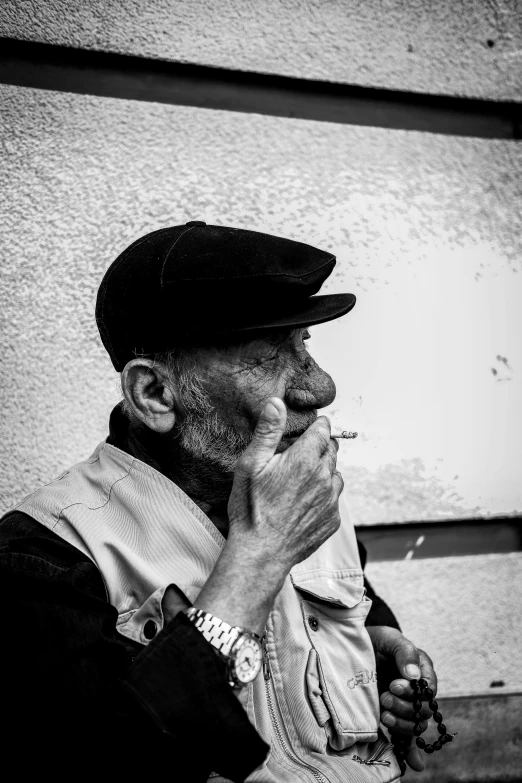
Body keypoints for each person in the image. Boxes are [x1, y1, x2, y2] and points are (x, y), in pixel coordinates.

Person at [1, 222, 437, 782]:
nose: (320, 387)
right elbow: (110, 757)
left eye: (303, 344)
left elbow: (353, 624)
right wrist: (260, 557)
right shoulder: (45, 554)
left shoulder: (305, 498)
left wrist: (375, 663)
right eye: (264, 359)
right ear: (156, 394)